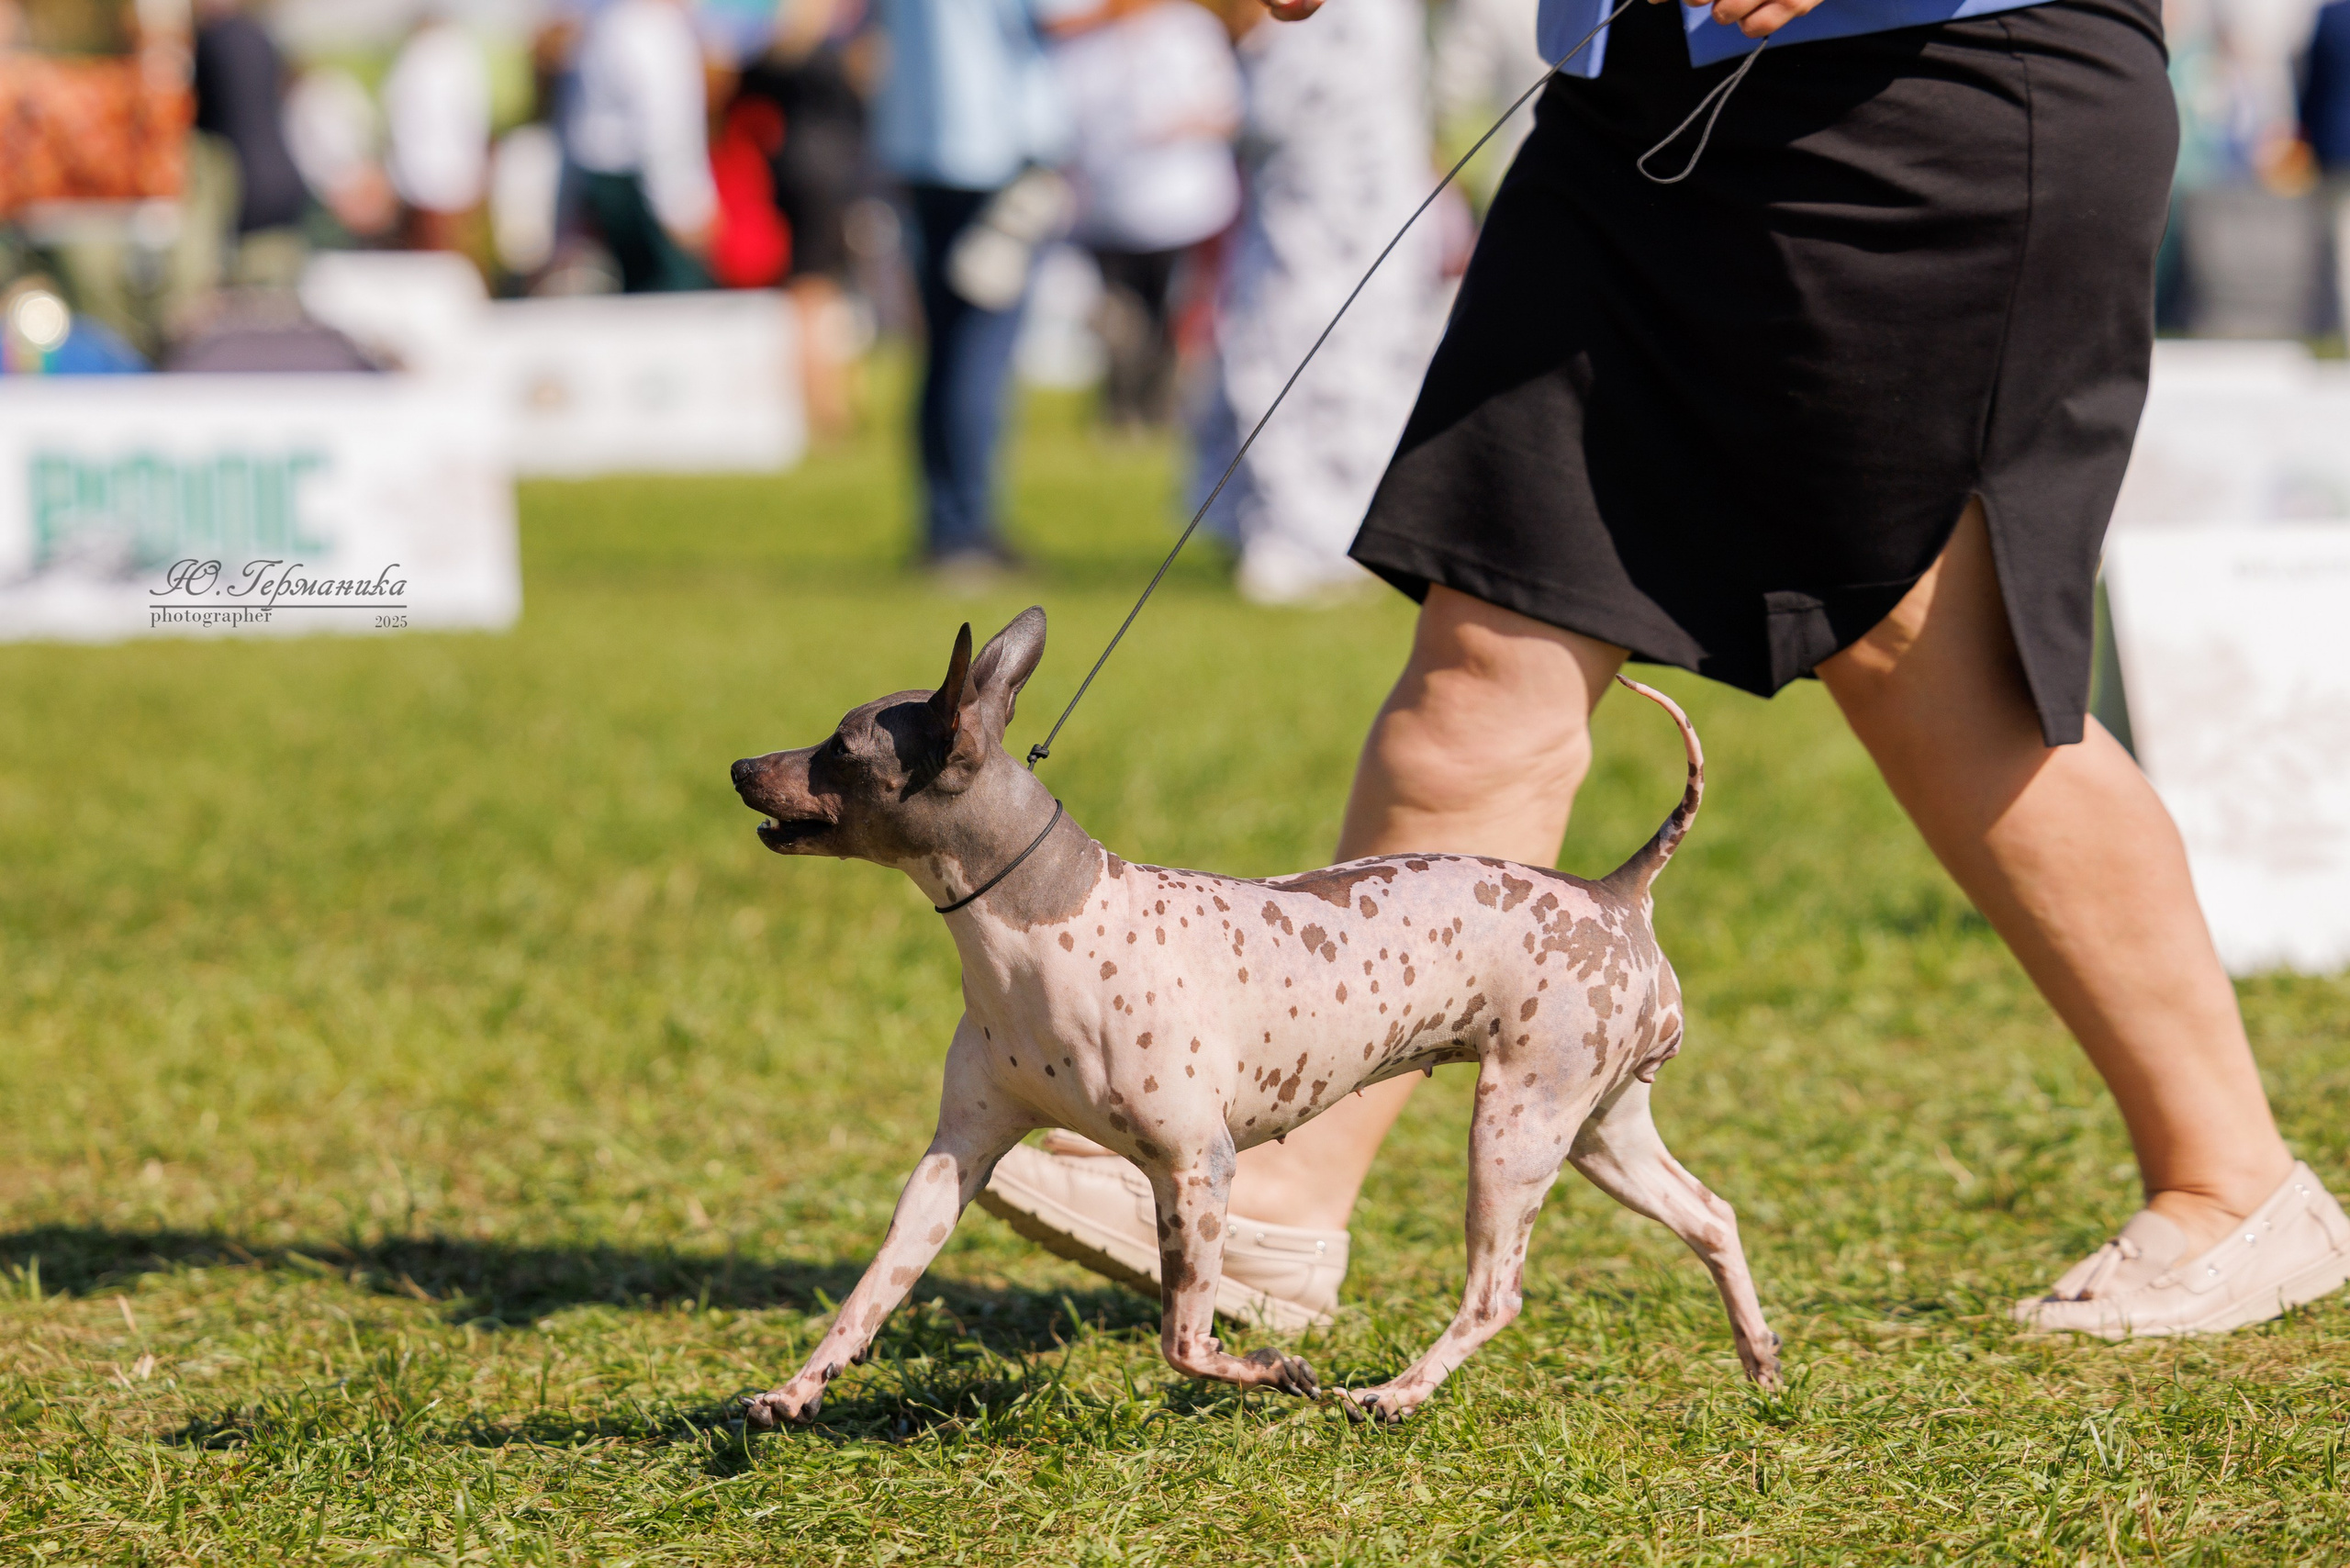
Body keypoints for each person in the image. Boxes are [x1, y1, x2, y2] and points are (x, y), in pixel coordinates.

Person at [987, 0, 2350, 1337]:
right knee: (1488, 667)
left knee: (1930, 662)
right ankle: (1285, 1190)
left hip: (1937, 90)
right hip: (1628, 96)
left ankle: (2233, 1179)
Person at [1189, 0, 1443, 606]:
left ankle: (1325, 536)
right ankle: (1285, 532)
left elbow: (1298, 98)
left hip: (1353, 203)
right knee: (1288, 353)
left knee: (1333, 359)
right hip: (1310, 208)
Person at [870, 0, 1081, 577]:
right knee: (979, 354)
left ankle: (946, 525)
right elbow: (1062, 14)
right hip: (995, 149)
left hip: (920, 144)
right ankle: (964, 532)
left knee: (943, 351)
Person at [1051, 0, 1243, 431]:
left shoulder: (1189, 29)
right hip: (1108, 206)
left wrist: (1175, 127)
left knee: (1170, 311)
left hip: (1183, 205)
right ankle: (1122, 408)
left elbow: (1227, 108)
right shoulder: (1089, 41)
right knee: (1121, 314)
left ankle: (1159, 407)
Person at [565, 0, 717, 293]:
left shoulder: (611, 23)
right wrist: (681, 207)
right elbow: (662, 128)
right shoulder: (652, 31)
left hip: (617, 183)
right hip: (644, 189)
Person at [383, 12, 492, 258]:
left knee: (446, 243)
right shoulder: (450, 52)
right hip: (433, 166)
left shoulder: (439, 54)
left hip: (438, 165)